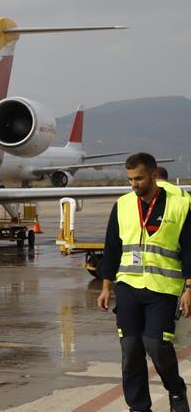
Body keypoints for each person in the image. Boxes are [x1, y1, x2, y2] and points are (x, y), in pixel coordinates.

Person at [97, 153, 191, 412]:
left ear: (153, 175)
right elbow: (112, 247)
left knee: (156, 346)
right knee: (130, 351)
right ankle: (138, 407)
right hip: (128, 286)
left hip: (162, 289)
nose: (134, 184)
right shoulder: (123, 204)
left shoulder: (179, 205)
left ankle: (176, 390)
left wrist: (189, 288)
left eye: (138, 178)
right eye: (130, 179)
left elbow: (189, 249)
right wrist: (106, 285)